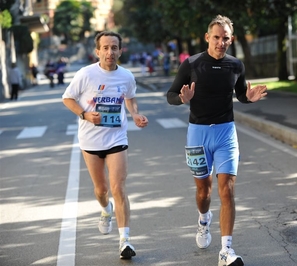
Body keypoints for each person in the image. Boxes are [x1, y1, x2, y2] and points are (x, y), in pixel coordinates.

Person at [166, 15, 267, 266]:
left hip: (226, 134)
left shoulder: (236, 66)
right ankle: (203, 220)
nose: (221, 43)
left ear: (231, 40)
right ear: (207, 38)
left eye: (226, 39)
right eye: (217, 38)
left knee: (227, 191)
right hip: (198, 134)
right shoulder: (191, 64)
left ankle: (226, 251)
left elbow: (241, 94)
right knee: (203, 192)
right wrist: (183, 98)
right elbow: (170, 95)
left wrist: (248, 97)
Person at [62, 31, 148, 260]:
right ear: (97, 51)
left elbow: (130, 97)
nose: (110, 52)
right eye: (106, 48)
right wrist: (84, 115)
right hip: (90, 140)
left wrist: (135, 114)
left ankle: (125, 241)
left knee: (118, 187)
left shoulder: (127, 76)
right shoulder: (86, 74)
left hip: (117, 138)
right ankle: (105, 209)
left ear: (120, 50)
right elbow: (67, 98)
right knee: (101, 191)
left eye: (114, 48)